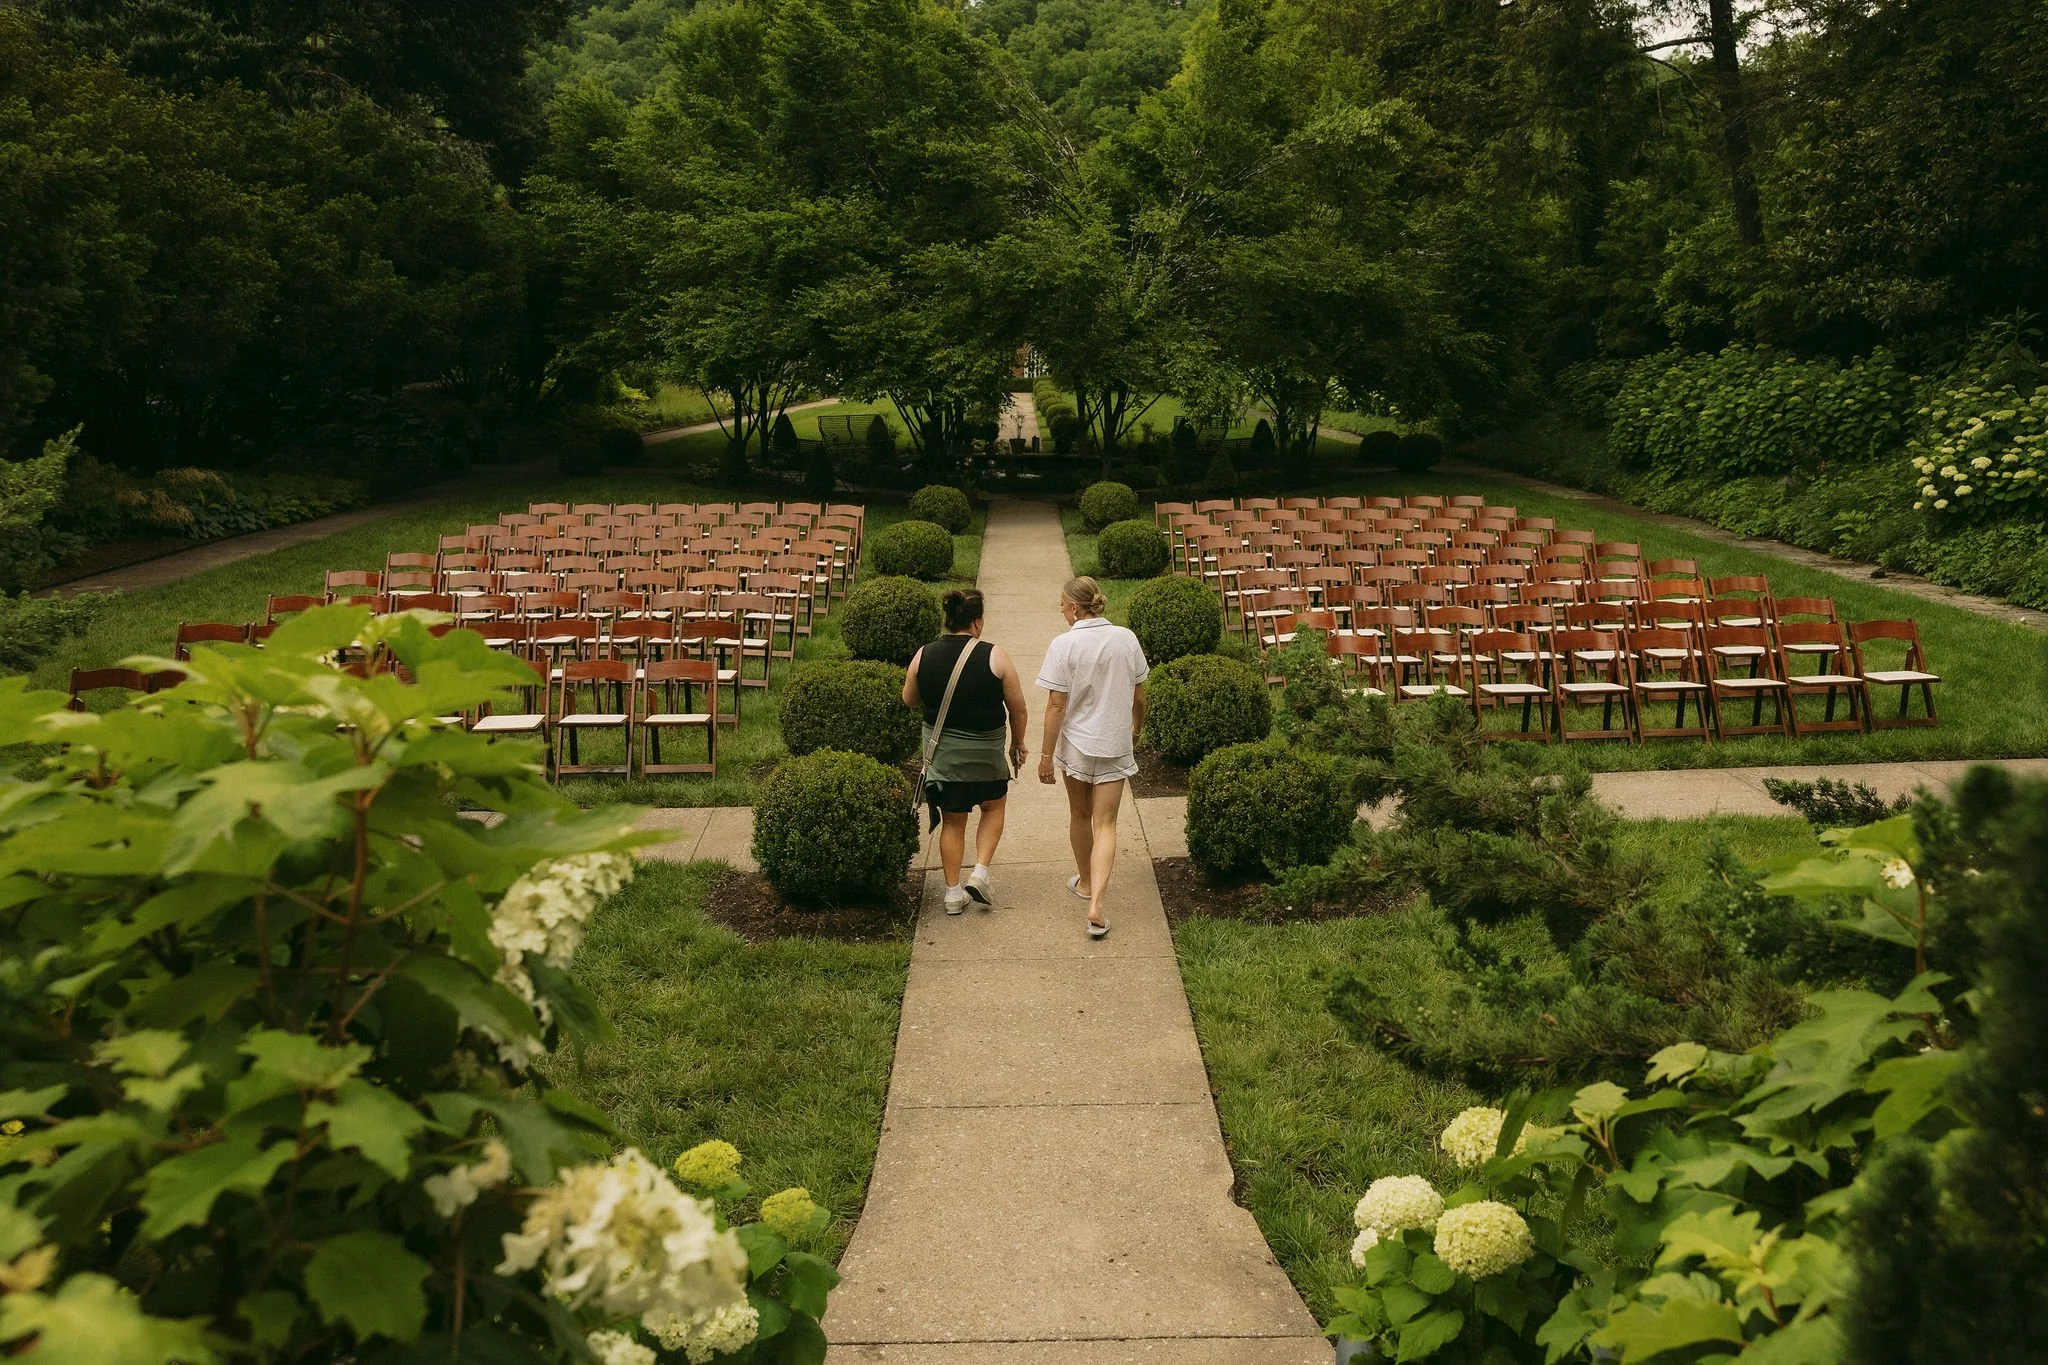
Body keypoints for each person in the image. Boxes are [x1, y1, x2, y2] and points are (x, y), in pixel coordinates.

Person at [903, 588, 1030, 913]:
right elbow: (1018, 708)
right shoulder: (995, 655)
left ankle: (952, 894)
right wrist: (1018, 743)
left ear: (948, 620)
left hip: (946, 761)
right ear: (977, 622)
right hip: (986, 758)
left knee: (953, 822)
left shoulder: (923, 655)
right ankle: (981, 871)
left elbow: (910, 699)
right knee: (993, 808)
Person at [1036, 576, 1148, 940]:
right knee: (1107, 825)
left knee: (1080, 815)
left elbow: (1056, 705)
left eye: (1061, 604)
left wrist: (1045, 755)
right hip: (1115, 742)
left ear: (1073, 607)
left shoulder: (1063, 645)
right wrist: (1135, 729)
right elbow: (1139, 697)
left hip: (1077, 747)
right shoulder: (1126, 638)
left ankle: (1084, 882)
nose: (1060, 610)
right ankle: (1096, 904)